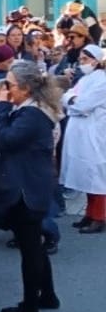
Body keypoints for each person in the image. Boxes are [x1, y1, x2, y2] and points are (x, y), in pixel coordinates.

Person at [0, 61, 61, 312]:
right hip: (28, 187)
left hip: (27, 190)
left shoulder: (33, 115)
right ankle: (47, 295)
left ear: (26, 88)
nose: (6, 89)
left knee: (29, 249)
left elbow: (6, 139)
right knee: (33, 244)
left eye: (10, 85)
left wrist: (1, 106)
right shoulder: (28, 111)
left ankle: (30, 306)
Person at [59, 44, 106, 234]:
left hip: (94, 133)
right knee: (85, 174)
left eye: (85, 59)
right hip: (81, 131)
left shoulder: (102, 80)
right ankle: (89, 213)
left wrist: (72, 101)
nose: (82, 63)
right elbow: (68, 96)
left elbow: (84, 104)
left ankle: (99, 216)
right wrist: (72, 101)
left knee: (96, 174)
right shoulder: (85, 79)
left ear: (95, 60)